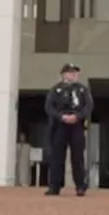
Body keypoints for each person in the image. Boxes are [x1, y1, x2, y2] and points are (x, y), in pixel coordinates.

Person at [44, 62, 94, 196]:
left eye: (76, 73)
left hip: (77, 125)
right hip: (60, 125)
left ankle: (80, 185)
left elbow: (88, 106)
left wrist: (77, 116)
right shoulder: (56, 90)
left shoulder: (82, 90)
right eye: (71, 72)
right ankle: (55, 185)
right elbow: (49, 107)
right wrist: (61, 117)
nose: (74, 75)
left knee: (78, 156)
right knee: (57, 156)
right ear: (64, 74)